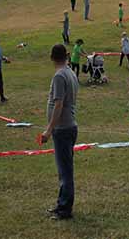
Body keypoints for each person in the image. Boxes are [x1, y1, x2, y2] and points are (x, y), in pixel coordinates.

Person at [40, 44, 79, 220]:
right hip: (68, 127)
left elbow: (58, 104)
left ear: (52, 57)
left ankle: (65, 209)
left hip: (63, 129)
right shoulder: (70, 72)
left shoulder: (59, 76)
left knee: (65, 171)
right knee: (64, 170)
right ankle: (61, 203)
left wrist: (49, 130)